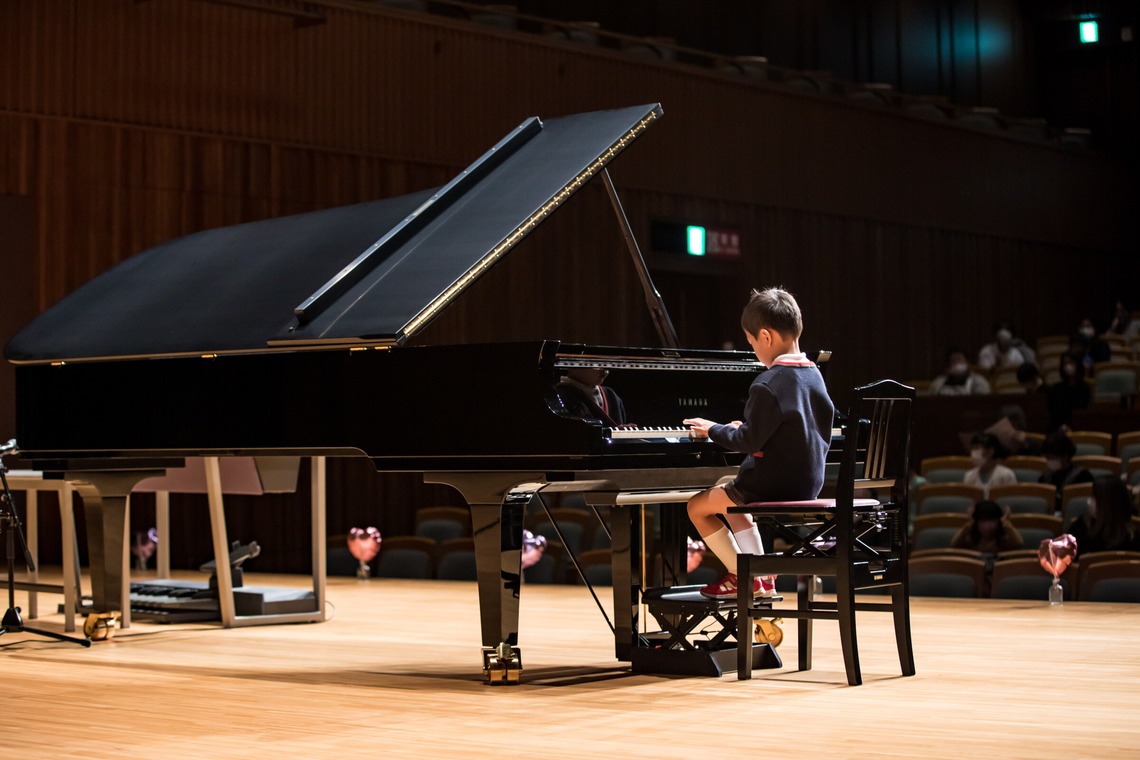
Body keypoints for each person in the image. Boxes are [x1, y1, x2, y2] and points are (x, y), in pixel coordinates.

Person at [682, 287, 835, 599]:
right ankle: (762, 578)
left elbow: (746, 441)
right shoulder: (814, 374)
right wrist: (746, 428)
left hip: (773, 484)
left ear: (765, 336)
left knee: (697, 506)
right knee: (729, 492)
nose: (753, 350)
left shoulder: (768, 382)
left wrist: (713, 429)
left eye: (751, 343)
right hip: (809, 483)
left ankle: (742, 574)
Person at [1067, 474, 1140, 553]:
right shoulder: (1080, 527)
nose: (1088, 502)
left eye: (1095, 499)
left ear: (1109, 505)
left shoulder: (1132, 538)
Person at [1038, 432, 1094, 513]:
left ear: (1065, 456)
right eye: (1047, 457)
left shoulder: (1083, 477)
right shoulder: (1044, 479)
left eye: (1052, 457)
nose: (1048, 461)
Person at [555, 366, 627, 426]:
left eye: (607, 364)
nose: (605, 371)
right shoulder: (560, 396)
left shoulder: (611, 395)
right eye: (597, 364)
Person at [950, 500, 1024, 554]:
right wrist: (970, 523)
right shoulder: (971, 540)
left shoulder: (1003, 540)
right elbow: (954, 544)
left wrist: (1005, 522)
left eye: (991, 521)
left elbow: (1019, 543)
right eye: (982, 521)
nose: (987, 526)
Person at [1045, 353, 1090, 432]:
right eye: (1065, 363)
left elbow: (1083, 412)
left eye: (1071, 362)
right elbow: (1054, 413)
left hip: (1079, 428)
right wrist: (1062, 426)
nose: (1068, 366)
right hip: (1059, 429)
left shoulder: (1085, 388)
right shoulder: (1055, 389)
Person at [963, 432, 1017, 498]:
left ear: (990, 452)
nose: (973, 453)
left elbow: (1013, 500)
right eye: (973, 448)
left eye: (977, 448)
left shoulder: (1006, 475)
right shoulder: (969, 476)